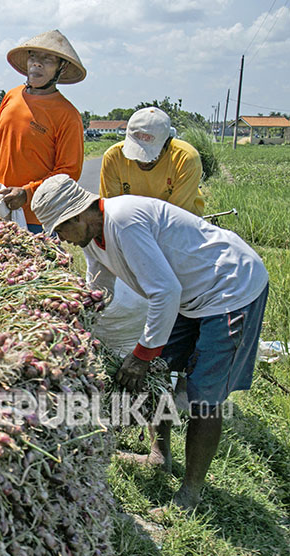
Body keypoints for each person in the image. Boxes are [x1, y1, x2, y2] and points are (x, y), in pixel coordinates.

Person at [31, 174, 269, 511]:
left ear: (78, 215)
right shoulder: (94, 238)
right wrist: (77, 321)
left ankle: (191, 493)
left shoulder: (124, 222)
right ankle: (160, 455)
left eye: (60, 230)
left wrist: (142, 354)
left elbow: (165, 292)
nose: (62, 239)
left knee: (204, 395)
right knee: (162, 370)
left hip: (229, 287)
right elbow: (100, 286)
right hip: (189, 293)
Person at [0, 29, 86, 233]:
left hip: (36, 218)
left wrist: (27, 193)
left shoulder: (67, 115)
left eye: (47, 59)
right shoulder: (11, 96)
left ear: (62, 67)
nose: (37, 63)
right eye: (33, 57)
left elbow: (68, 173)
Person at [100, 107, 204, 216]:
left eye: (150, 157)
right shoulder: (114, 157)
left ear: (167, 142)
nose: (143, 162)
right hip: (131, 220)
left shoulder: (186, 159)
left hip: (181, 223)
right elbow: (110, 211)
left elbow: (175, 218)